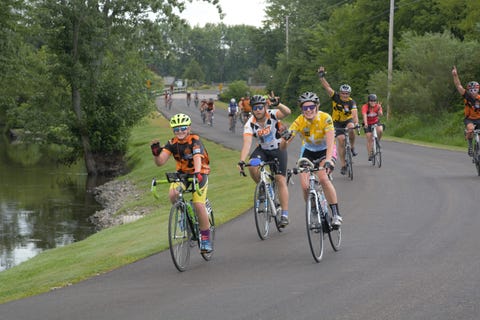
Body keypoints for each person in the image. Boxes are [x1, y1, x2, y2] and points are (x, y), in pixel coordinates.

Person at [150, 113, 213, 253]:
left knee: (198, 204)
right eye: (176, 129)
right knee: (173, 194)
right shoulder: (172, 143)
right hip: (183, 175)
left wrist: (197, 174)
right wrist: (155, 154)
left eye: (183, 128)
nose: (180, 132)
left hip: (200, 172)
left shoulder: (194, 140)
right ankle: (183, 214)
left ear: (189, 128)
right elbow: (160, 162)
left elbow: (197, 157)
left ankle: (206, 238)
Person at [282, 91, 343, 227]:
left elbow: (330, 142)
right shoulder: (299, 121)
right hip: (308, 151)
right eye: (305, 108)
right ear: (301, 109)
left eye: (311, 107)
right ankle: (314, 210)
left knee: (322, 178)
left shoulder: (325, 118)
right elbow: (283, 147)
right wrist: (284, 138)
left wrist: (328, 160)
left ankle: (336, 213)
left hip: (325, 150)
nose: (308, 110)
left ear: (317, 107)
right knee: (305, 186)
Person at [238, 95, 292, 228]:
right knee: (251, 166)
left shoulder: (273, 115)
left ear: (265, 107)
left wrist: (278, 104)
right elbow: (247, 143)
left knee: (280, 179)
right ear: (252, 110)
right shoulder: (249, 124)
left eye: (260, 107)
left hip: (278, 149)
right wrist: (241, 161)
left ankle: (284, 214)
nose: (258, 110)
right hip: (262, 150)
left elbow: (287, 112)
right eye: (255, 108)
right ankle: (264, 187)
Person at [318, 66, 360, 175]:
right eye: (343, 93)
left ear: (349, 94)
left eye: (347, 94)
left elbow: (354, 114)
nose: (345, 95)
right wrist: (321, 77)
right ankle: (343, 165)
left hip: (347, 120)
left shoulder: (351, 102)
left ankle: (352, 146)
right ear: (340, 93)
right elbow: (327, 87)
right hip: (336, 122)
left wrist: (356, 124)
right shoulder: (335, 97)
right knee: (341, 140)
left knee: (351, 128)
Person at [452, 66, 480, 156]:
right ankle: (470, 146)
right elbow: (458, 85)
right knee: (471, 129)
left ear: (478, 89)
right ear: (468, 90)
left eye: (475, 89)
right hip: (470, 119)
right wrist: (455, 75)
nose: (473, 91)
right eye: (471, 90)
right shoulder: (467, 95)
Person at [361, 94, 384, 161]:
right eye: (371, 101)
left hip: (375, 122)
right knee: (369, 138)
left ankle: (378, 142)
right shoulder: (365, 106)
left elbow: (381, 115)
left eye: (374, 101)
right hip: (367, 123)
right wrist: (365, 123)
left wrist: (379, 109)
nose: (373, 102)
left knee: (380, 130)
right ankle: (370, 154)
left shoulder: (378, 106)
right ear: (368, 101)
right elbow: (364, 115)